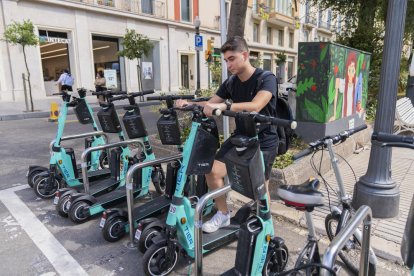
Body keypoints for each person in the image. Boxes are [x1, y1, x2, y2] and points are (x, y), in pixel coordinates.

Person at [176, 36, 278, 233]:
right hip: (241, 136)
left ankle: (266, 226)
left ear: (245, 55)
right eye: (226, 60)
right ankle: (223, 214)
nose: (228, 64)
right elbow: (212, 102)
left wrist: (226, 106)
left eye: (232, 59)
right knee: (212, 170)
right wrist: (189, 104)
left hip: (263, 140)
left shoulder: (266, 78)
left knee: (260, 188)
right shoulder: (231, 82)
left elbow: (256, 105)